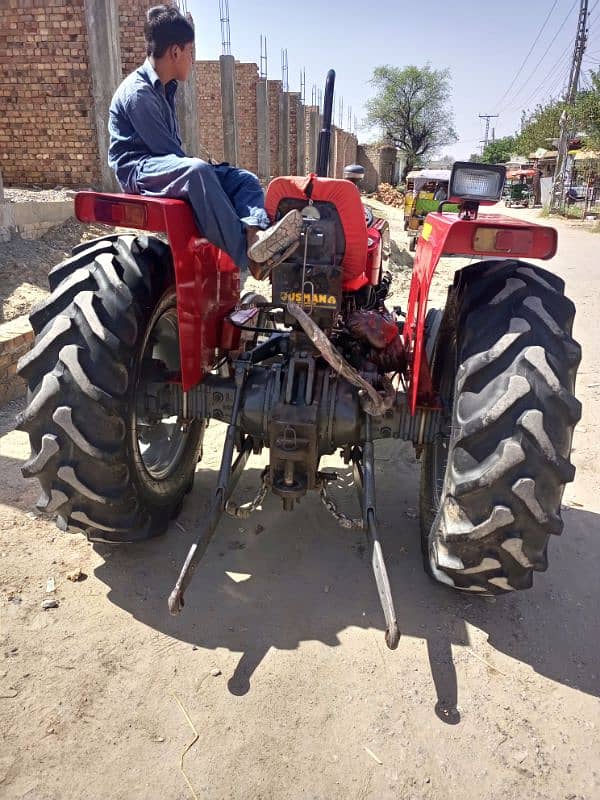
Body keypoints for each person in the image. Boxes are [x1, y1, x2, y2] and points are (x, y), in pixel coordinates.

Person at [108, 5, 301, 279]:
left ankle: (257, 239)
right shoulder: (139, 94)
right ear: (175, 52)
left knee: (243, 178)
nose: (193, 60)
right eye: (191, 52)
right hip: (138, 171)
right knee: (197, 172)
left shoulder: (165, 89)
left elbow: (172, 155)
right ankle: (247, 259)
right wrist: (205, 171)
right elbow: (167, 153)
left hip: (165, 165)